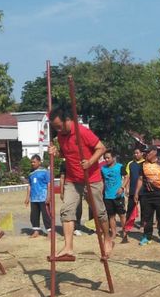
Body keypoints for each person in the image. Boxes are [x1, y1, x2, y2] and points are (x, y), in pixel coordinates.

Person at [48, 107, 113, 260]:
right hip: (72, 180)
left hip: (91, 179)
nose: (57, 130)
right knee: (67, 210)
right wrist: (56, 153)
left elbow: (101, 148)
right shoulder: (61, 135)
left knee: (99, 212)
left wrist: (90, 162)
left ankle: (108, 237)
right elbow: (66, 154)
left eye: (58, 126)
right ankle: (68, 247)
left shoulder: (82, 132)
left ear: (67, 120)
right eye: (54, 127)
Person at [134, 145, 160, 245]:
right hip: (147, 195)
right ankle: (147, 236)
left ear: (155, 152)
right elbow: (140, 179)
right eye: (145, 152)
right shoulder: (142, 165)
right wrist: (136, 193)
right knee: (147, 217)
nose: (146, 154)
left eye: (148, 152)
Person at [101, 150, 127, 242]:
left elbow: (127, 177)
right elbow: (103, 181)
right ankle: (114, 233)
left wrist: (122, 187)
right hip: (108, 196)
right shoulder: (103, 169)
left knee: (122, 215)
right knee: (111, 216)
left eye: (108, 158)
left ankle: (125, 232)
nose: (106, 160)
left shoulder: (120, 167)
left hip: (118, 196)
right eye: (105, 158)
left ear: (113, 158)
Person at [25, 154, 51, 238]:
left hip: (43, 197)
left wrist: (48, 195)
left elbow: (49, 184)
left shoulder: (45, 172)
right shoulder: (31, 174)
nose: (32, 163)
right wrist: (27, 197)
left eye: (34, 162)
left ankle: (50, 232)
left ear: (39, 162)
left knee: (46, 215)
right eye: (31, 162)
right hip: (34, 198)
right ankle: (36, 231)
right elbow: (29, 185)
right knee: (34, 215)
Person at [60, 159, 85, 235]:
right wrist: (61, 191)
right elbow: (62, 177)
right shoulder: (64, 164)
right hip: (69, 187)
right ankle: (68, 228)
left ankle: (77, 227)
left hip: (79, 186)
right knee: (67, 209)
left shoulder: (79, 161)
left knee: (78, 208)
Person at [123, 147, 145, 228]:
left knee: (145, 208)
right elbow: (127, 176)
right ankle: (128, 223)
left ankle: (143, 223)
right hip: (133, 189)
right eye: (135, 153)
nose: (136, 155)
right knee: (130, 207)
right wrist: (126, 188)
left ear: (142, 153)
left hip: (144, 190)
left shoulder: (145, 163)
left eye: (137, 153)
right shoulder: (130, 164)